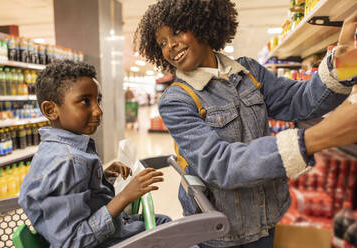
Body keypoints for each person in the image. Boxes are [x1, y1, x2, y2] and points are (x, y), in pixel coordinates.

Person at [134, 0, 357, 247]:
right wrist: (317, 138)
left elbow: (301, 101)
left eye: (176, 32)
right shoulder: (176, 100)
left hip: (270, 215)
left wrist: (345, 62)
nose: (170, 46)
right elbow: (220, 164)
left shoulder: (248, 71)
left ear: (200, 25)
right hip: (224, 233)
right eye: (162, 42)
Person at [18, 60, 170, 247]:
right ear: (51, 110)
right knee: (173, 231)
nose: (98, 111)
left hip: (113, 230)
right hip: (104, 241)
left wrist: (100, 175)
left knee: (165, 223)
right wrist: (124, 197)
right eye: (85, 101)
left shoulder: (56, 149)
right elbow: (72, 242)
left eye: (98, 100)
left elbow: (74, 192)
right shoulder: (67, 161)